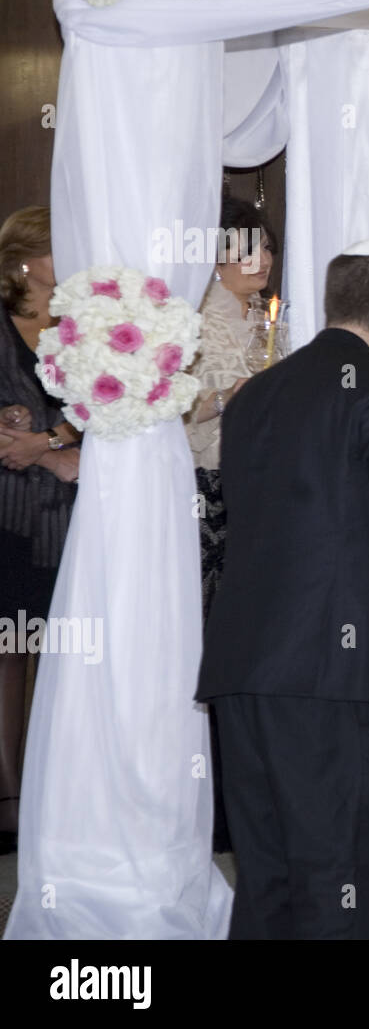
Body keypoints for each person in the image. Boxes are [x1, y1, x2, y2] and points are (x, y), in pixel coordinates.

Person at [196, 242, 369, 939]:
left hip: (241, 664)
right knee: (340, 869)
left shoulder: (257, 393)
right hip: (333, 671)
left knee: (265, 876)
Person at [183, 196, 276, 853]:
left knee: (257, 648)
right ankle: (204, 803)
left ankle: (253, 799)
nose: (264, 260)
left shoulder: (274, 321)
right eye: (251, 248)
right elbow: (178, 408)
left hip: (267, 497)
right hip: (208, 493)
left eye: (268, 248)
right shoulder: (193, 322)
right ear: (216, 257)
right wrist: (227, 399)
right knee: (209, 644)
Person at [0, 206, 80, 856]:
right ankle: (9, 800)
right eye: (60, 246)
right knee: (8, 650)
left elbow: (101, 405)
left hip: (67, 512)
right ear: (26, 260)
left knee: (61, 653)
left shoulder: (80, 325)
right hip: (8, 513)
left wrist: (47, 438)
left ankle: (55, 795)